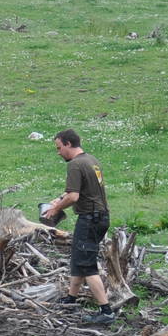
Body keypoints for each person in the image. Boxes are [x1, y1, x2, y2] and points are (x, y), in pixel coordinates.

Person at [41, 129, 114, 325]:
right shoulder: (91, 160)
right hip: (100, 217)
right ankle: (71, 299)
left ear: (68, 144)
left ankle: (106, 311)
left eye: (59, 148)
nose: (58, 152)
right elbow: (78, 191)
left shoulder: (74, 165)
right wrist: (58, 199)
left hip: (90, 219)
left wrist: (55, 208)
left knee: (87, 265)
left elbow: (74, 197)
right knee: (79, 258)